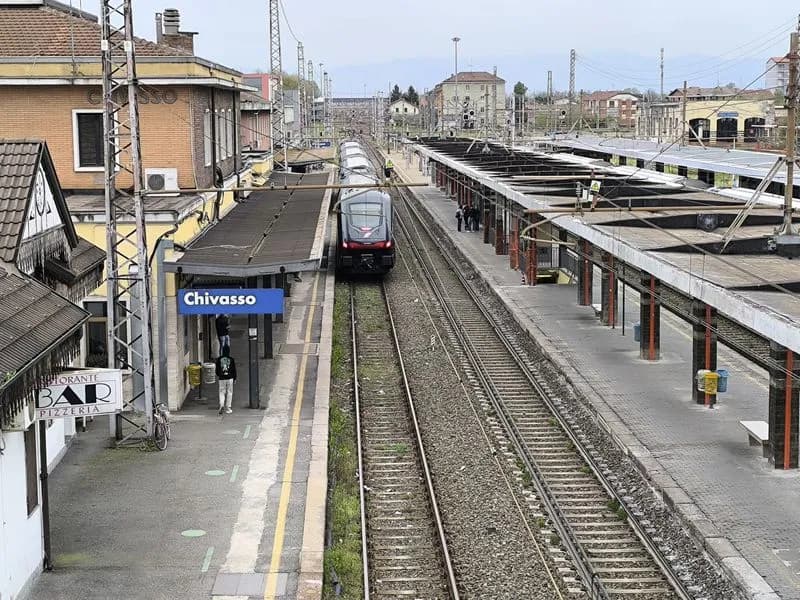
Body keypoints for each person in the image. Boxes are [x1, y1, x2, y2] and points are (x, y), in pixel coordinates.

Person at [215, 345, 237, 414]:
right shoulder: (231, 359)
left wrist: (219, 375)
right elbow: (234, 370)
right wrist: (235, 378)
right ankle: (228, 407)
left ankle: (221, 404)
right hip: (230, 378)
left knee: (222, 392)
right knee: (229, 392)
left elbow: (217, 370)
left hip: (221, 378)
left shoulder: (219, 359)